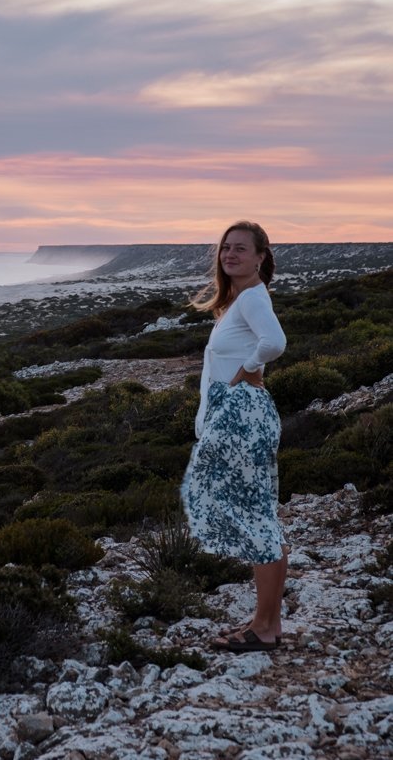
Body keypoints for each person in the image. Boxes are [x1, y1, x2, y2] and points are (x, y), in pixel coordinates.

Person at [180, 220, 288, 653]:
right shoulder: (242, 299)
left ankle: (264, 628)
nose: (230, 254)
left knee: (254, 518)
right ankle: (268, 623)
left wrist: (248, 369)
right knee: (260, 516)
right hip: (238, 415)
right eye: (226, 248)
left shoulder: (253, 298)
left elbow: (274, 342)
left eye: (241, 248)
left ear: (260, 257)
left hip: (241, 416)